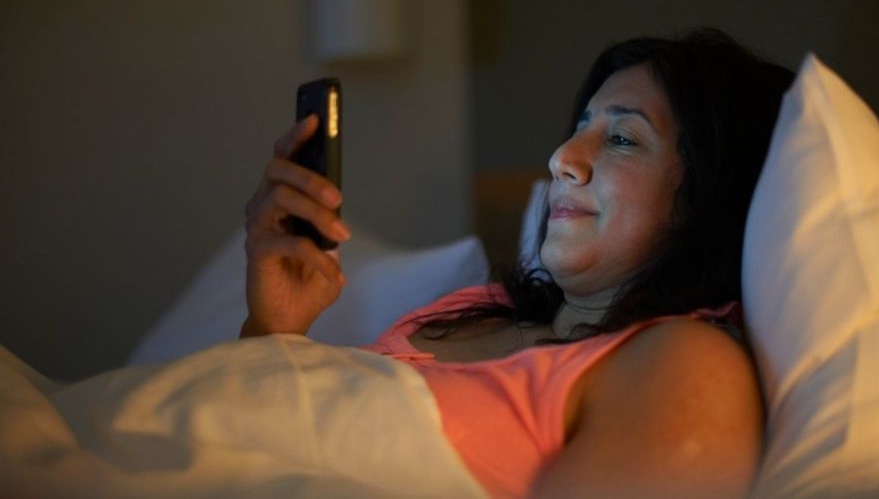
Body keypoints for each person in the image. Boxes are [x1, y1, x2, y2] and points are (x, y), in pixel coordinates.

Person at [241, 28, 795, 499]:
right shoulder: (477, 309)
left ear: (711, 197)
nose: (562, 159)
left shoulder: (689, 365)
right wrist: (274, 331)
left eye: (622, 138)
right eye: (580, 128)